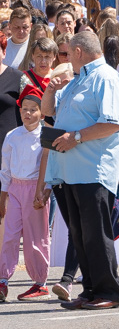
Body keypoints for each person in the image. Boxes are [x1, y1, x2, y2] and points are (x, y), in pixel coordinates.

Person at [41, 31, 119, 310]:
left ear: (78, 52)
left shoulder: (105, 77)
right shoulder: (78, 79)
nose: (65, 58)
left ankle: (109, 292)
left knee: (96, 233)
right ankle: (90, 289)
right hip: (68, 171)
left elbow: (113, 123)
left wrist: (75, 137)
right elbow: (47, 112)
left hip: (92, 169)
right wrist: (51, 90)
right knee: (79, 234)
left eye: (66, 53)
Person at [0, 91, 50, 301]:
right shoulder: (13, 135)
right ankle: (2, 280)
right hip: (14, 189)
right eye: (24, 109)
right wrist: (3, 196)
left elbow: (49, 167)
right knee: (9, 235)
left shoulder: (45, 135)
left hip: (35, 190)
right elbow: (5, 169)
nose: (28, 113)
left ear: (41, 112)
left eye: (33, 109)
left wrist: (44, 191)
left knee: (35, 237)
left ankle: (40, 282)